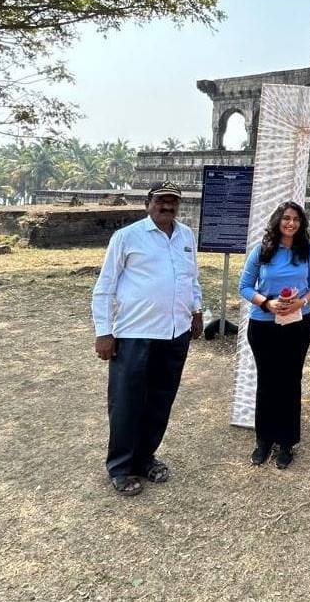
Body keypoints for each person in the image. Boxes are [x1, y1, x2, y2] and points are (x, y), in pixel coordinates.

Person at [91, 181, 203, 497]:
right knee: (127, 402)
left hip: (174, 333)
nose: (167, 206)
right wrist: (104, 331)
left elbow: (191, 277)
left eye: (173, 201)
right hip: (134, 334)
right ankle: (120, 467)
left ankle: (145, 457)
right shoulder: (127, 237)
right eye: (161, 200)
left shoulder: (185, 236)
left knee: (160, 400)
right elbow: (105, 287)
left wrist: (196, 310)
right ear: (147, 203)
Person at [238, 201, 310, 469]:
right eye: (286, 218)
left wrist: (302, 302)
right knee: (267, 382)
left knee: (289, 381)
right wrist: (266, 303)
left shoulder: (307, 251)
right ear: (278, 221)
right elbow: (244, 286)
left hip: (297, 324)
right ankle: (264, 439)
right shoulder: (262, 251)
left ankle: (286, 442)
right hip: (264, 324)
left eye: (296, 219)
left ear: (302, 223)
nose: (291, 223)